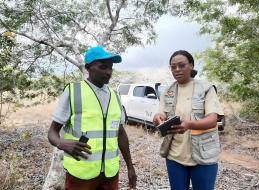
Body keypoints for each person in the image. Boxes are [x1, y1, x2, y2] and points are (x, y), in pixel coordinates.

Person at [48, 45, 137, 190]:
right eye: (103, 67)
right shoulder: (73, 91)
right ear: (88, 67)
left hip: (110, 174)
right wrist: (62, 144)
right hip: (81, 174)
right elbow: (52, 132)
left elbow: (120, 133)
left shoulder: (115, 96)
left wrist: (130, 166)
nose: (109, 72)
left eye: (110, 68)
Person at [153, 50, 224, 190]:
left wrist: (190, 124)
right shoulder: (168, 91)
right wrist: (157, 118)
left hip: (203, 157)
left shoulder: (206, 88)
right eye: (173, 67)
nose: (177, 70)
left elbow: (212, 119)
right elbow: (160, 113)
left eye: (181, 65)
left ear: (191, 65)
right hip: (175, 157)